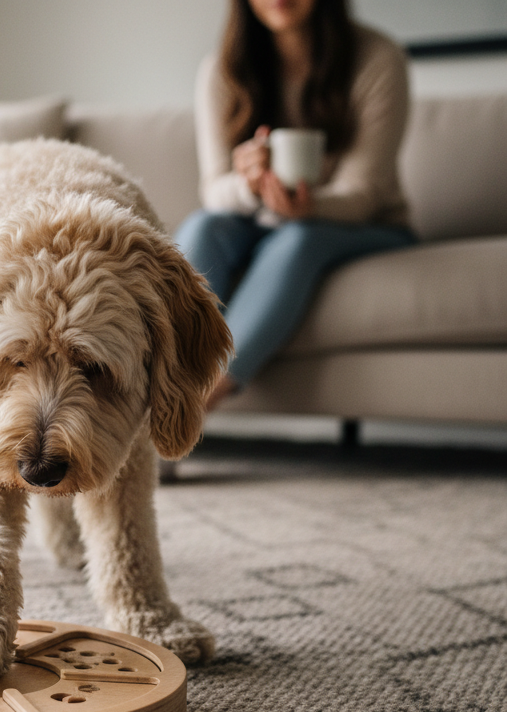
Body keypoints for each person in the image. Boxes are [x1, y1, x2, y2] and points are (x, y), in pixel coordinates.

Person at [174, 0, 417, 408]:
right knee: (202, 226)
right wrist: (250, 185)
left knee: (298, 238)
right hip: (263, 223)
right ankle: (171, 380)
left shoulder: (377, 59)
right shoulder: (222, 70)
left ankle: (198, 401)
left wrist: (308, 208)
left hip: (369, 226)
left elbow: (364, 194)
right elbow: (215, 190)